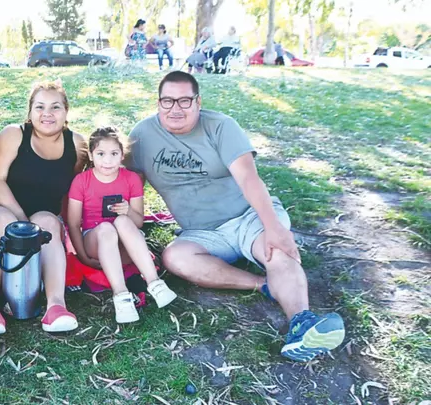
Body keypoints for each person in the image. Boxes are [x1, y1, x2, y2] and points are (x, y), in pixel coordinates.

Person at [126, 71, 346, 362]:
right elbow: (129, 186)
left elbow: (249, 179)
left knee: (277, 251)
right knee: (175, 258)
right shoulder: (142, 136)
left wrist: (273, 227)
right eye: (167, 101)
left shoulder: (221, 126)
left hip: (247, 217)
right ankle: (263, 285)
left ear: (198, 102)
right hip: (202, 233)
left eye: (184, 101)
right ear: (158, 102)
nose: (175, 108)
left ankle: (302, 323)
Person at [0, 80, 87, 335]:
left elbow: (71, 191)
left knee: (49, 223)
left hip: (39, 221)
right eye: (40, 106)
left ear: (66, 111)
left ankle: (56, 306)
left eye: (55, 107)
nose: (47, 113)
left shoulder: (77, 145)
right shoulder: (14, 135)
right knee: (5, 222)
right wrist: (23, 226)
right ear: (30, 111)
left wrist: (70, 231)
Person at [67, 127, 177, 324]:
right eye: (101, 154)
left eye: (114, 154)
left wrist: (127, 211)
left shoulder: (131, 179)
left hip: (127, 247)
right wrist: (83, 257)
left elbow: (138, 222)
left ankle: (155, 283)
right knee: (106, 228)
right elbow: (73, 224)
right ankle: (121, 295)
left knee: (122, 221)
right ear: (91, 155)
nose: (107, 160)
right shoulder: (81, 181)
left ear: (122, 155)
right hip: (95, 243)